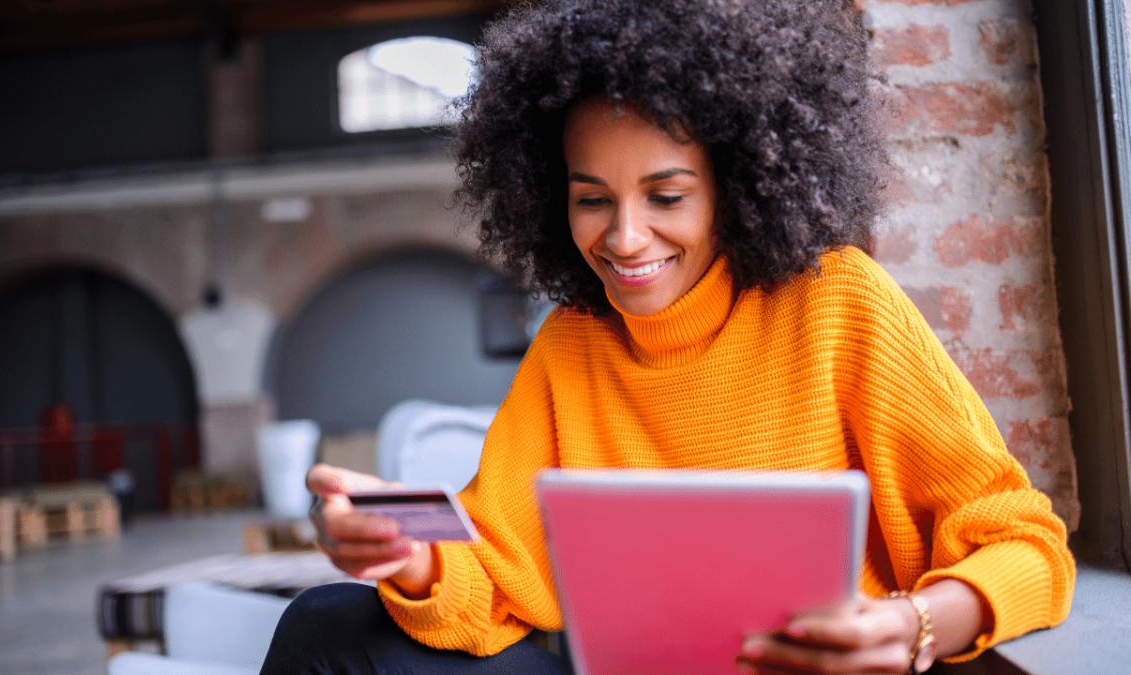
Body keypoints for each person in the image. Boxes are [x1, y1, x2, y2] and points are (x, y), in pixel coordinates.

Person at [262, 1, 1075, 673]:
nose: (624, 237)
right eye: (591, 199)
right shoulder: (573, 343)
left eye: (666, 195)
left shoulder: (838, 304)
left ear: (737, 184)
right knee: (325, 624)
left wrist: (911, 626)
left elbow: (1028, 545)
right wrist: (408, 552)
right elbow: (492, 571)